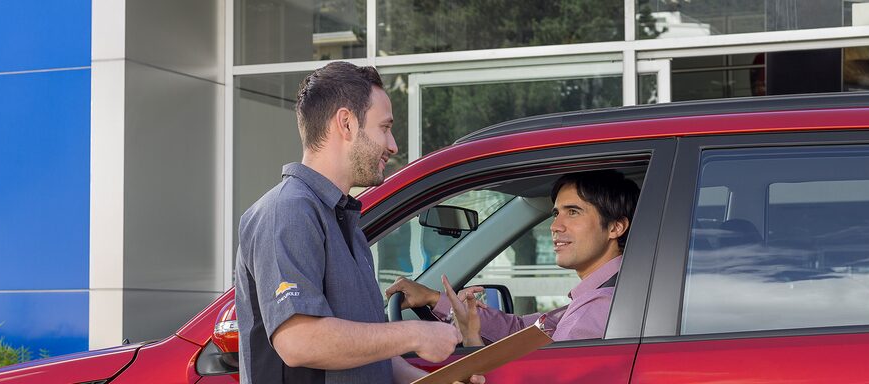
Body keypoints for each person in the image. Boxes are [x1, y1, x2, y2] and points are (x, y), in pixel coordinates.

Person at [235, 61, 484, 384]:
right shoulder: (287, 212)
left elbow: (366, 352)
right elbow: (299, 341)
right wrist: (414, 334)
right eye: (384, 127)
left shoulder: (344, 220)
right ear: (347, 124)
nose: (393, 145)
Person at [386, 170, 639, 346]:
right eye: (555, 213)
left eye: (572, 212)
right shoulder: (598, 298)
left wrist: (473, 344)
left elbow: (541, 377)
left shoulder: (599, 308)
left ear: (616, 227)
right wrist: (434, 299)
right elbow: (520, 330)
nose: (555, 226)